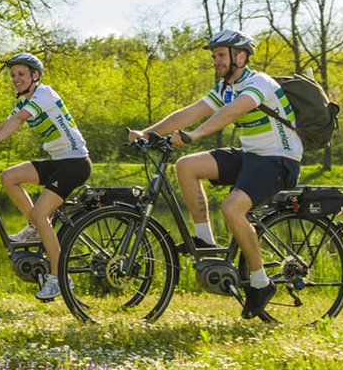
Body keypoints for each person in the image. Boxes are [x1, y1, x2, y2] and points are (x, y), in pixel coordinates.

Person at [127, 30, 300, 320]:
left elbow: (232, 112)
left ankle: (260, 283)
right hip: (251, 157)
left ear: (241, 56)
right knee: (186, 166)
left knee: (232, 209)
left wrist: (195, 135)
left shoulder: (259, 82)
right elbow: (191, 112)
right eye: (214, 56)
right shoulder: (223, 88)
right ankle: (205, 241)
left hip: (279, 159)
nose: (216, 61)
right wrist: (149, 132)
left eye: (221, 55)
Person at [0, 52, 91, 303]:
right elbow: (6, 123)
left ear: (35, 75)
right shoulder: (24, 100)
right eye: (13, 75)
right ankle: (34, 228)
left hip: (75, 163)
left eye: (21, 74)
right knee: (9, 177)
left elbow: (19, 121)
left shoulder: (44, 93)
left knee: (41, 212)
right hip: (57, 162)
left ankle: (59, 277)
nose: (16, 79)